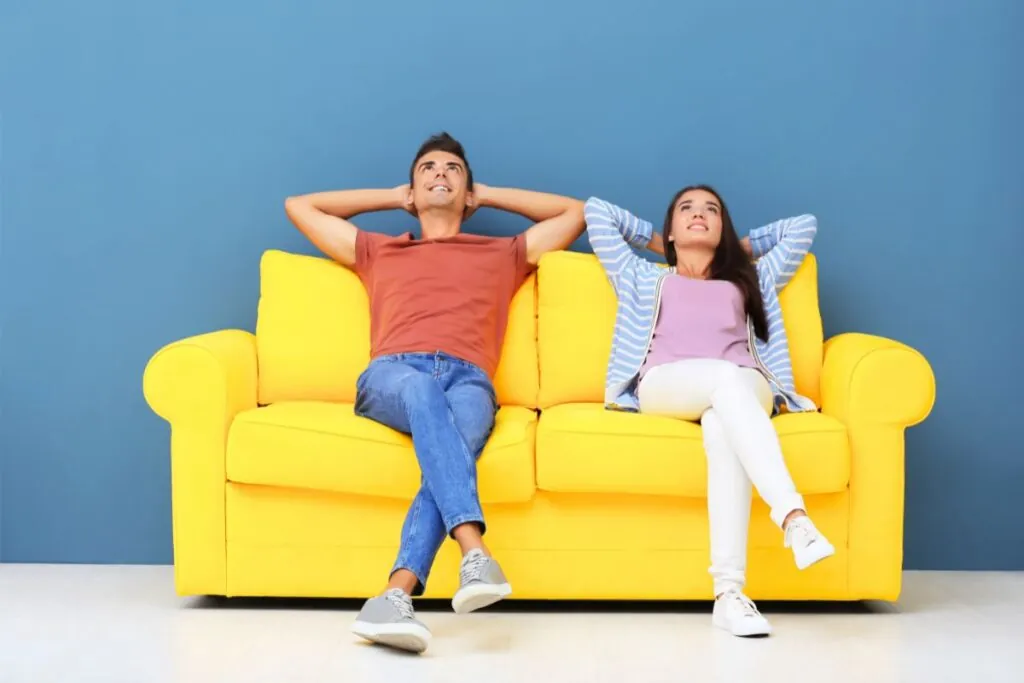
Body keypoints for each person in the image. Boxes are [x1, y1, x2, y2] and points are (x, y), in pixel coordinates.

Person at [285, 132, 585, 653]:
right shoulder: (379, 250)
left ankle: (394, 598)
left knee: (451, 453)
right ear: (412, 190)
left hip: (470, 379)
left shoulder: (503, 254)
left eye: (453, 169)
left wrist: (487, 193)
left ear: (469, 194)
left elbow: (577, 213)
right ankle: (473, 547)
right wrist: (393, 195)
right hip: (393, 375)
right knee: (425, 394)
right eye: (428, 169)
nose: (440, 173)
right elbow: (299, 206)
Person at [584, 186, 835, 638]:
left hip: (745, 388)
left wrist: (731, 247)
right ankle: (794, 518)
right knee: (724, 378)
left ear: (724, 227)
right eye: (687, 210)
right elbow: (596, 213)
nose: (699, 214)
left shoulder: (750, 280)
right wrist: (666, 242)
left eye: (711, 211)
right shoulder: (642, 277)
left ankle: (729, 594)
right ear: (671, 229)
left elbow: (804, 226)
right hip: (666, 385)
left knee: (724, 425)